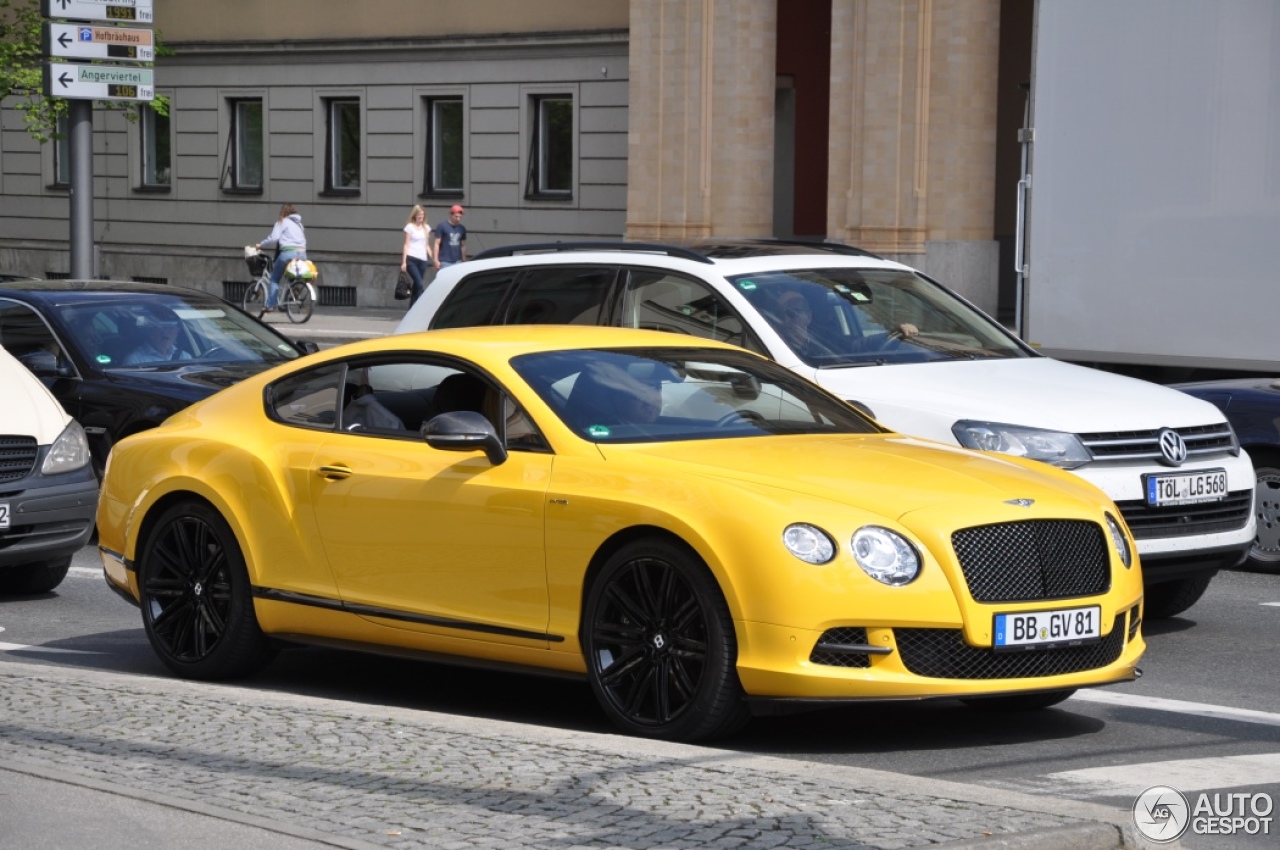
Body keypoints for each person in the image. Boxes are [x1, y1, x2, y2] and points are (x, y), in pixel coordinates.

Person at [257, 203, 307, 312]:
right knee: (290, 276)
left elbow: (274, 238)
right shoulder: (299, 225)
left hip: (288, 254)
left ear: (283, 212)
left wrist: (261, 245)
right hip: (302, 255)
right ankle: (292, 291)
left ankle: (270, 305)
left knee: (274, 279)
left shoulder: (282, 222)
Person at [399, 205, 434, 306]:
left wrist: (434, 258)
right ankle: (419, 306)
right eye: (419, 215)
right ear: (414, 215)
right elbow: (406, 244)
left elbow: (427, 245)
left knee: (417, 285)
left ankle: (412, 308)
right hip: (411, 259)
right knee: (419, 283)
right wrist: (404, 262)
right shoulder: (410, 227)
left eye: (422, 215)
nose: (421, 217)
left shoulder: (426, 228)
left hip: (422, 259)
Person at [123, 315, 191, 365]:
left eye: (171, 327)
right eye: (161, 327)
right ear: (150, 331)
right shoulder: (135, 360)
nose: (166, 332)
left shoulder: (185, 357)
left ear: (177, 331)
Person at [432, 204, 467, 270]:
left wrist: (464, 260)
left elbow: (463, 245)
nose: (458, 219)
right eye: (456, 217)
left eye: (460, 217)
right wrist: (436, 260)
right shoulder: (442, 226)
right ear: (451, 214)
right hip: (445, 261)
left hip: (458, 260)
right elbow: (436, 243)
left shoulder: (462, 228)